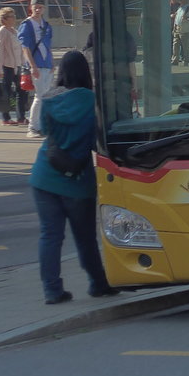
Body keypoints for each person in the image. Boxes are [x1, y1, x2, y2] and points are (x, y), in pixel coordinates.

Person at [30, 50, 116, 304]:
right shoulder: (93, 101)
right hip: (77, 182)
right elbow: (95, 143)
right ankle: (98, 283)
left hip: (44, 175)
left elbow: (45, 130)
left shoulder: (50, 99)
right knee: (85, 236)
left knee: (50, 235)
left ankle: (52, 291)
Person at [18, 0, 54, 137]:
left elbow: (49, 45)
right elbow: (25, 47)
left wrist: (52, 63)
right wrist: (32, 66)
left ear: (44, 9)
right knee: (40, 96)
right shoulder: (26, 25)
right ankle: (32, 128)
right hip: (36, 64)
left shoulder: (46, 25)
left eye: (40, 7)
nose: (38, 9)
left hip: (46, 64)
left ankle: (40, 126)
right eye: (35, 7)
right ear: (31, 8)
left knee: (45, 97)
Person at [0, 6, 27, 125]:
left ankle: (21, 116)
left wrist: (24, 63)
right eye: (11, 16)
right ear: (4, 19)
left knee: (21, 91)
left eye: (14, 16)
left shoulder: (14, 31)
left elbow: (21, 49)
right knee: (6, 93)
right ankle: (6, 117)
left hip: (17, 66)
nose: (14, 19)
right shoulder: (2, 32)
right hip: (7, 66)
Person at [171, 0, 189, 66]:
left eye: (181, 0)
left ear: (185, 0)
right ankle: (175, 60)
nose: (180, 1)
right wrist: (174, 28)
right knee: (175, 45)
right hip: (177, 28)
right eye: (180, 0)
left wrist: (187, 18)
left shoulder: (188, 8)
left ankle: (186, 60)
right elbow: (176, 18)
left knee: (185, 46)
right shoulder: (180, 8)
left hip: (184, 29)